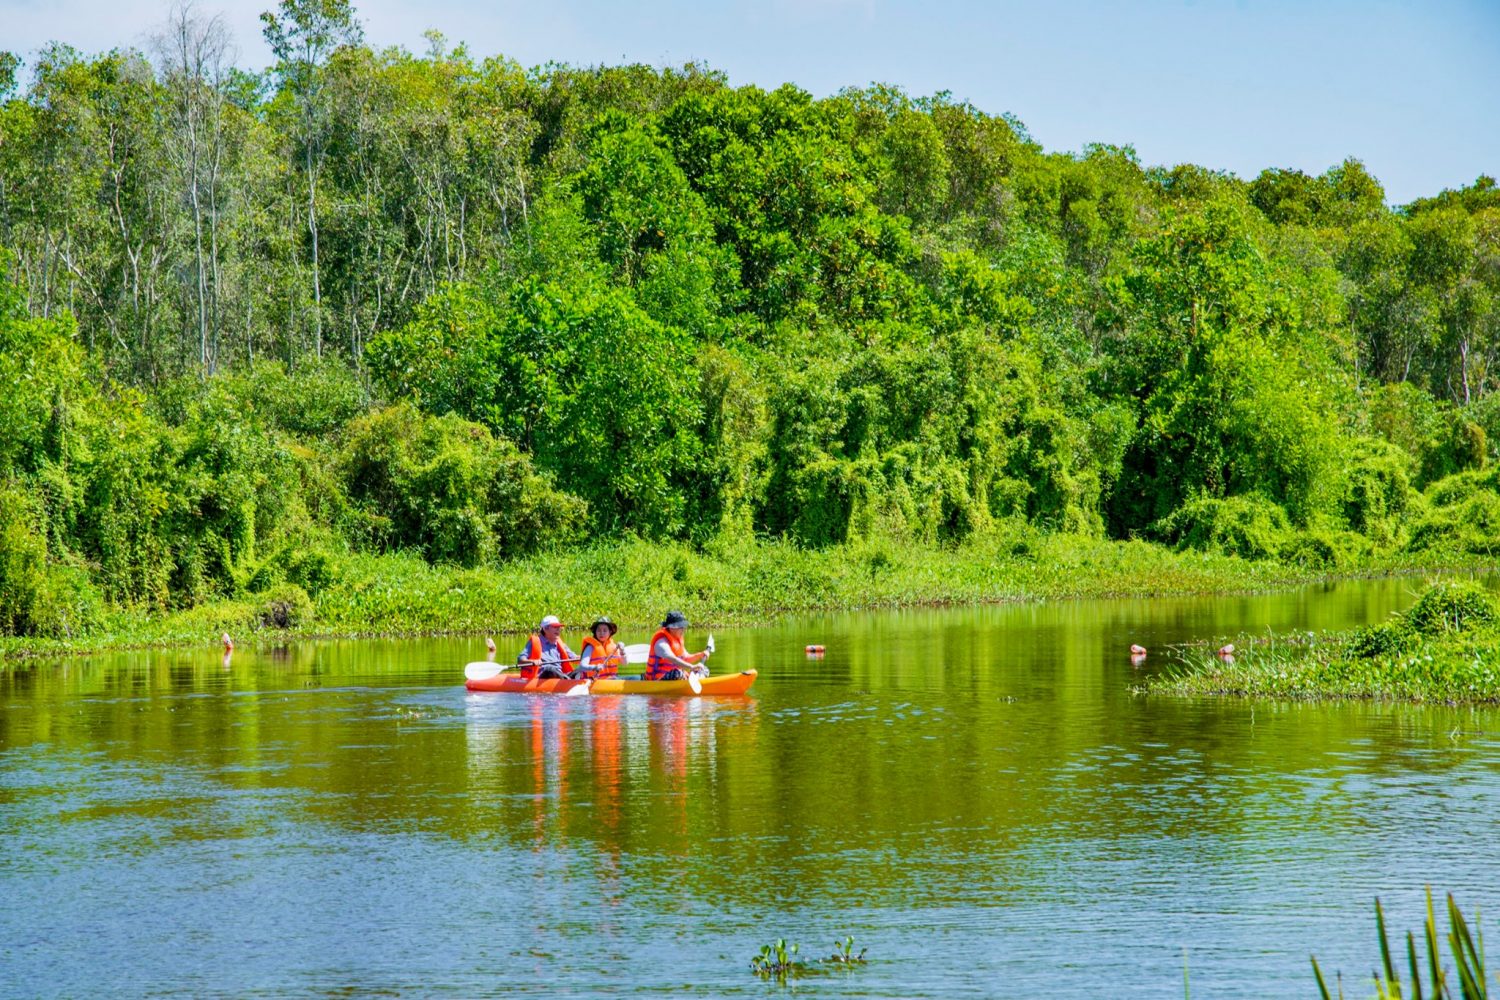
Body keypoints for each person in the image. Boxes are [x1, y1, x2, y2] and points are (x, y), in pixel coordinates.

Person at [644, 610, 709, 681]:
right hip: (657, 679)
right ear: (672, 628)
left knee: (704, 669)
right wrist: (692, 667)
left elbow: (686, 658)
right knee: (677, 673)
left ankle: (697, 681)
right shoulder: (661, 643)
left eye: (684, 627)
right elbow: (673, 659)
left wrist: (700, 655)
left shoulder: (677, 640)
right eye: (681, 627)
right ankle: (691, 681)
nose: (684, 629)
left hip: (677, 676)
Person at [517, 615, 576, 679]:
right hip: (543, 675)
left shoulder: (561, 644)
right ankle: (567, 681)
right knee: (549, 669)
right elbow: (520, 660)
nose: (558, 629)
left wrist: (584, 658)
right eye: (555, 627)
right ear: (545, 629)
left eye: (559, 627)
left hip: (559, 674)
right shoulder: (535, 642)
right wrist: (532, 661)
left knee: (579, 670)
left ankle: (569, 680)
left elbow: (575, 657)